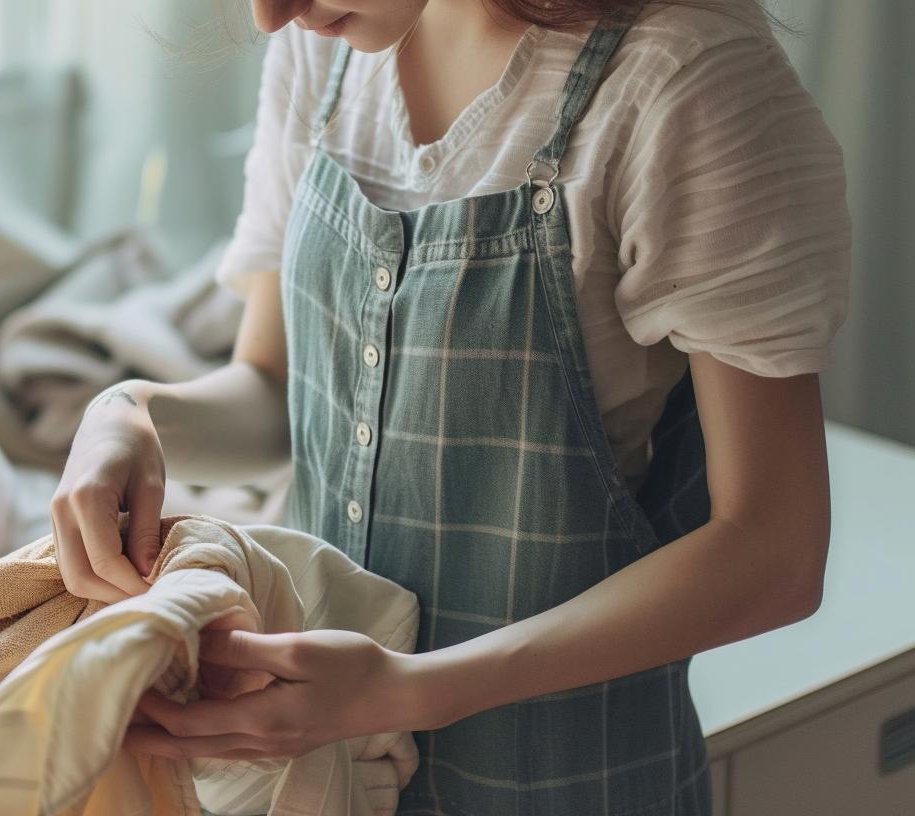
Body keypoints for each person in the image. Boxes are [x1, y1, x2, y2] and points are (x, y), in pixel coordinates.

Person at [49, 0, 850, 812]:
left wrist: (412, 691)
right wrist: (130, 413)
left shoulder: (678, 79)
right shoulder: (322, 55)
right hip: (326, 780)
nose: (267, 17)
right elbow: (276, 391)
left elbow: (773, 552)